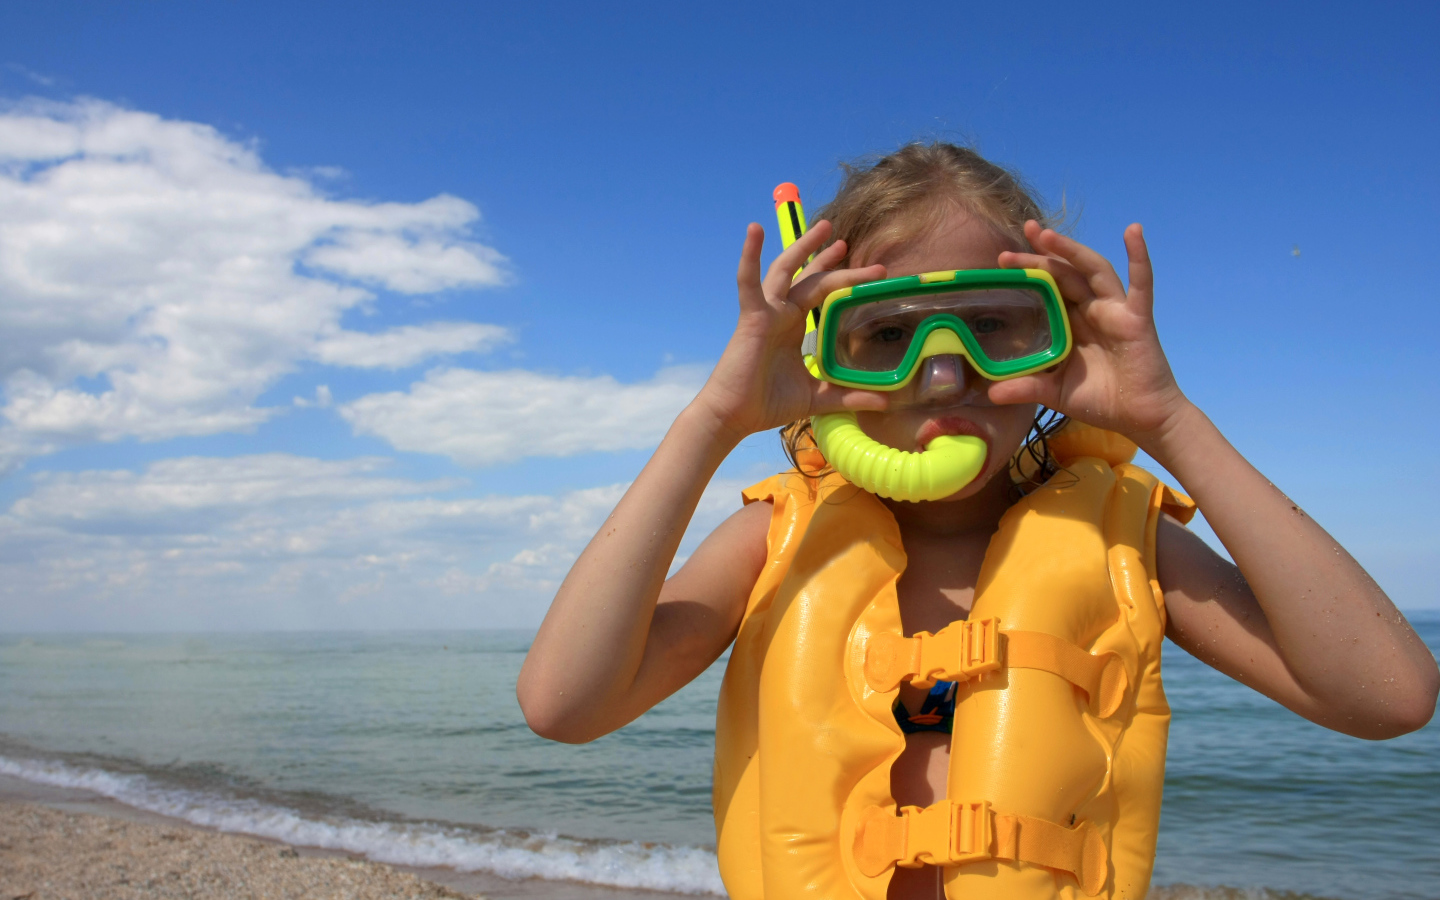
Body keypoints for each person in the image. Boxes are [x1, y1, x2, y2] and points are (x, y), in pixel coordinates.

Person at [516, 143, 1438, 900]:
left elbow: (1388, 696)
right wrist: (713, 420)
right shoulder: (777, 540)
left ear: (1061, 337)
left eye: (994, 326)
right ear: (824, 351)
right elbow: (565, 705)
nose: (944, 374)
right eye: (887, 333)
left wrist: (1170, 422)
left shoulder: (1121, 541)